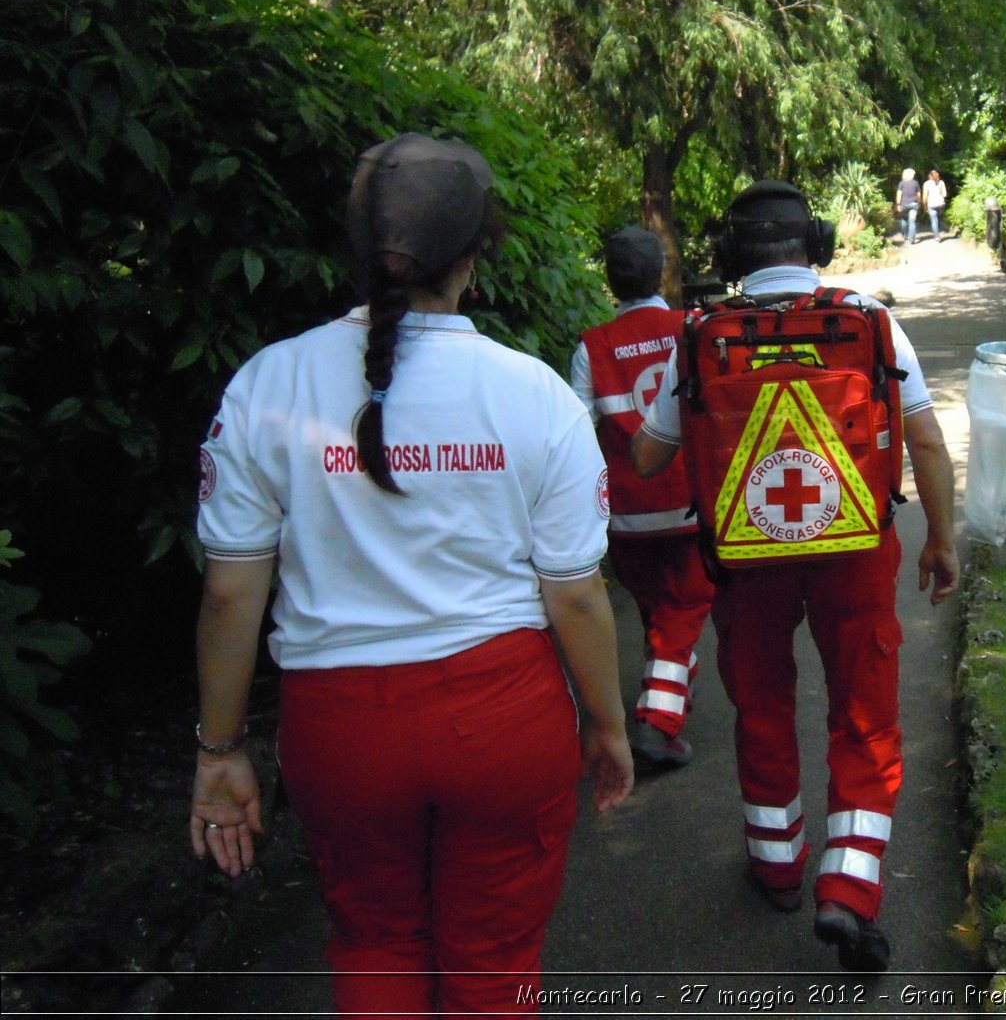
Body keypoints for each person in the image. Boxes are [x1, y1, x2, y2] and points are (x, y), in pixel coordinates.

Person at [188, 133, 633, 1017]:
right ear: (474, 257)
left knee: (375, 943)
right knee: (495, 958)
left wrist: (219, 748)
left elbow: (231, 590)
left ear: (359, 249)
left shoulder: (265, 385)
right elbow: (576, 594)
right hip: (503, 721)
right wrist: (608, 725)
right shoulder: (534, 392)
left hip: (341, 728)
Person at [631, 180, 960, 972]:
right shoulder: (871, 321)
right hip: (854, 551)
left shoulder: (700, 335)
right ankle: (848, 890)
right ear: (813, 243)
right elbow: (928, 443)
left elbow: (648, 458)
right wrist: (939, 539)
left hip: (747, 562)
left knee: (764, 703)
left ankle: (776, 866)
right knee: (865, 714)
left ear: (731, 254)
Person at [570, 225, 714, 768]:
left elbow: (577, 435)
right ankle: (656, 723)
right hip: (690, 506)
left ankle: (670, 685)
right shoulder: (692, 329)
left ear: (611, 282)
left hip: (627, 518)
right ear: (662, 272)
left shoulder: (592, 347)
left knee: (662, 611)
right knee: (683, 612)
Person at [895, 167, 921, 243]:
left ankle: (904, 235)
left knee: (903, 219)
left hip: (904, 204)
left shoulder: (901, 183)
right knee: (912, 221)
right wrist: (919, 202)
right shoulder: (915, 183)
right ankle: (912, 239)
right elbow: (919, 194)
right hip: (914, 204)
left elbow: (899, 194)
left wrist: (898, 204)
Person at [922, 169, 948, 239]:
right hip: (940, 204)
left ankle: (937, 237)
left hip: (931, 205)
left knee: (934, 220)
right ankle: (938, 227)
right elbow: (945, 194)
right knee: (938, 218)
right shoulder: (941, 182)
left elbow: (924, 197)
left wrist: (924, 206)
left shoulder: (926, 183)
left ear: (929, 176)